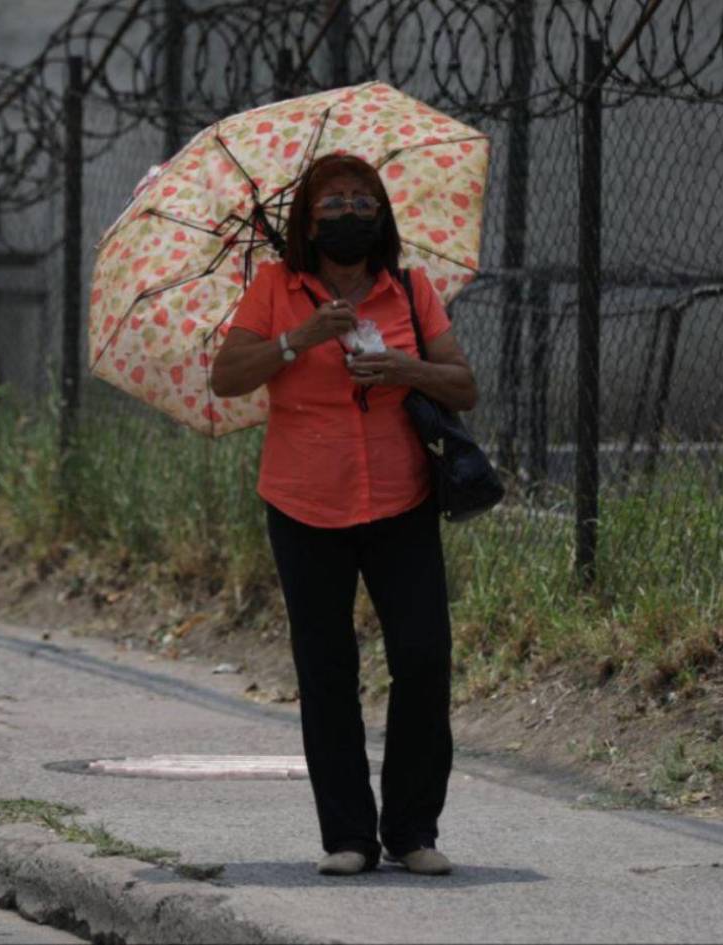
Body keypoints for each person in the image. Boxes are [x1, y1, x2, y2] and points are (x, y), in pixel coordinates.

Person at [209, 153, 478, 877]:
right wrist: (301, 338)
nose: (350, 213)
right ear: (307, 219)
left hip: (401, 500)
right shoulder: (275, 289)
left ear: (382, 216)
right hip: (303, 503)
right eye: (334, 202)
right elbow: (227, 376)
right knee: (327, 669)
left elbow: (465, 384)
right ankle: (349, 837)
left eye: (363, 200)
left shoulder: (411, 290)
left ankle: (413, 829)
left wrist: (404, 370)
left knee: (423, 658)